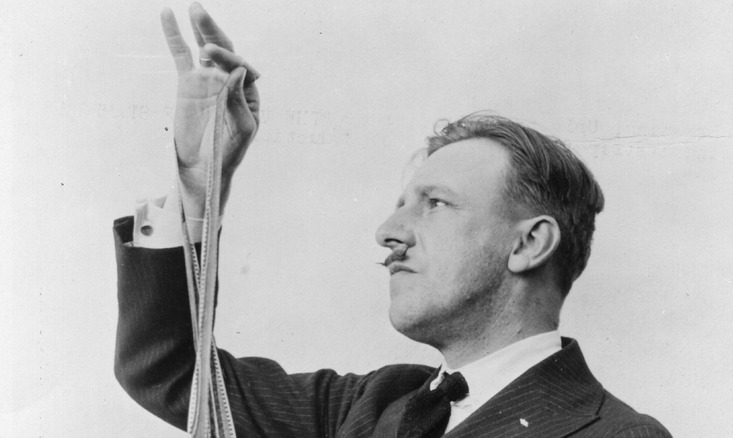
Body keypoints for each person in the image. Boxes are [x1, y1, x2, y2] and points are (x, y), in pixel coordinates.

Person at [113, 3, 672, 437]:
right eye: (403, 203)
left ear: (529, 243)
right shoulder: (371, 406)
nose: (387, 232)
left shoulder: (620, 434)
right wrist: (199, 180)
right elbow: (170, 371)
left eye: (435, 203)